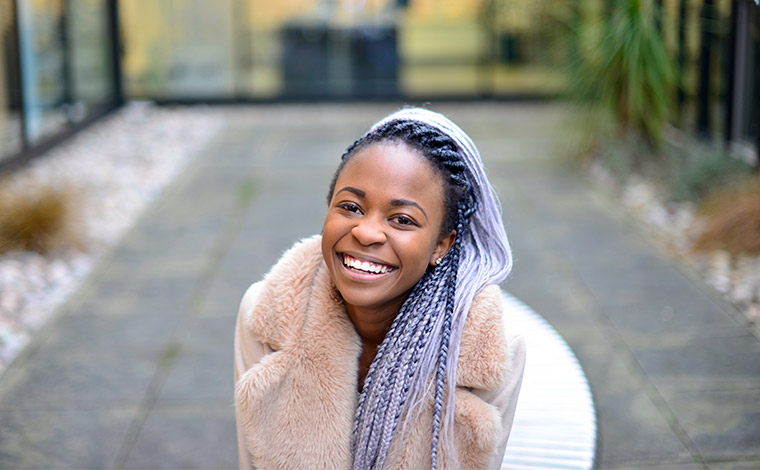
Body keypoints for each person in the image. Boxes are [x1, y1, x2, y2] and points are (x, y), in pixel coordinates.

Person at [234, 107, 525, 470]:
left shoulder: (490, 347)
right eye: (351, 207)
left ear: (441, 245)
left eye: (402, 219)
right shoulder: (267, 312)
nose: (366, 232)